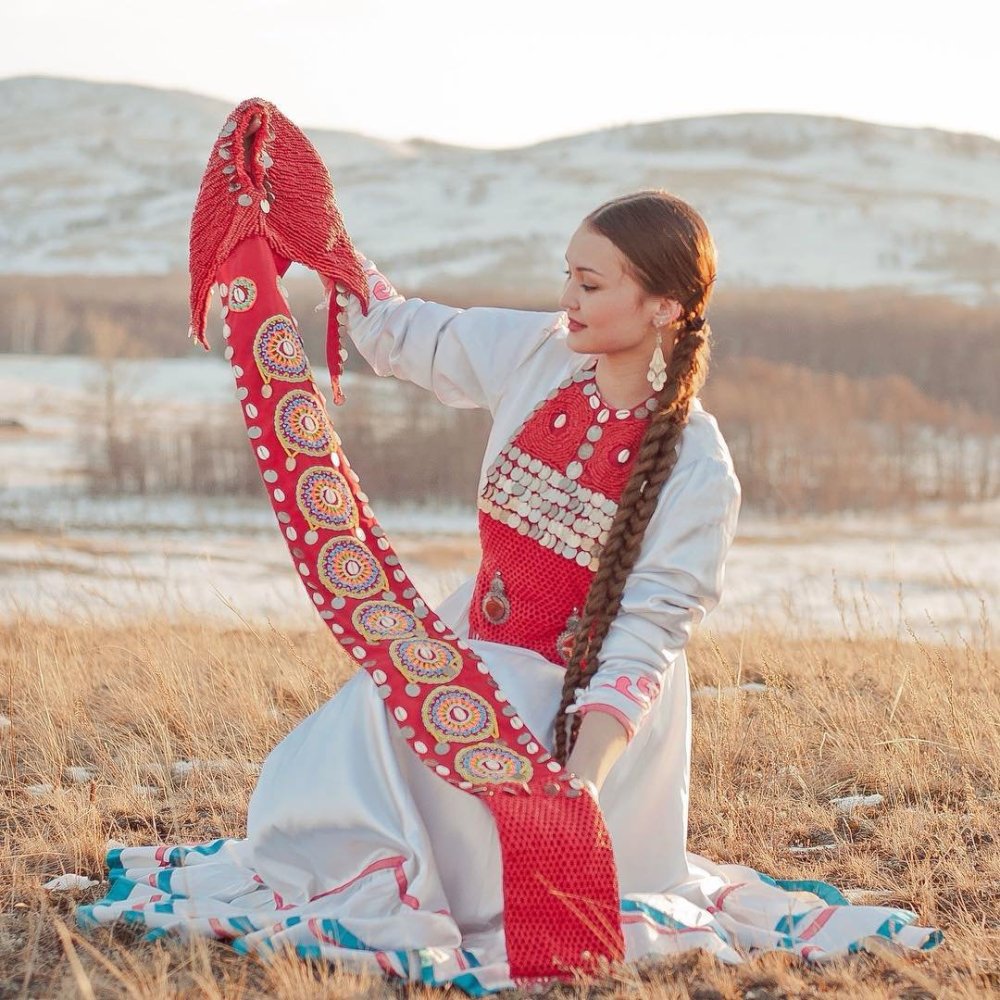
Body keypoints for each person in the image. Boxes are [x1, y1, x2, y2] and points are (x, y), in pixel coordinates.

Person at [79, 189, 939, 993]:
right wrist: (314, 232)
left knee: (447, 767)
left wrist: (578, 783)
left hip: (583, 709)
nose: (567, 298)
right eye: (567, 275)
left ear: (664, 307)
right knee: (357, 737)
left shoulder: (697, 467)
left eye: (591, 283)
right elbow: (405, 333)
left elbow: (646, 639)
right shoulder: (538, 353)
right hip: (475, 647)